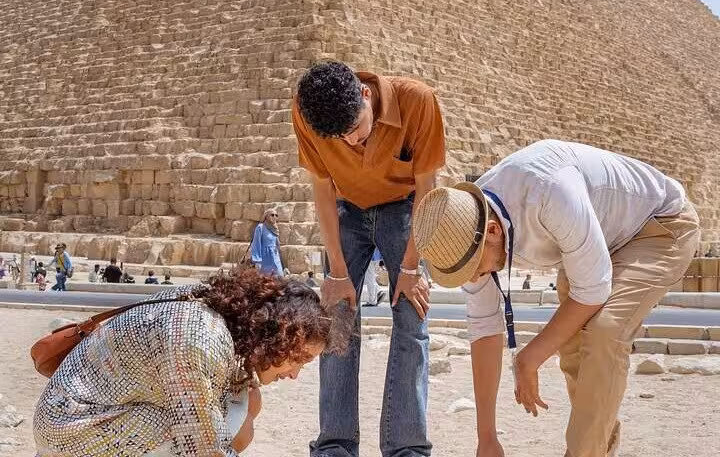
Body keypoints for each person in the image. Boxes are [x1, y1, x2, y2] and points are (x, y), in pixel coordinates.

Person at [412, 140, 699, 457]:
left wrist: (529, 358)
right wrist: (487, 438)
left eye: (476, 270)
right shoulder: (465, 227)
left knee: (605, 332)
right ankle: (597, 448)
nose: (475, 280)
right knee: (572, 344)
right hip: (597, 239)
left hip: (660, 226)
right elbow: (484, 329)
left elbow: (592, 292)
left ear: (493, 232)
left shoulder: (548, 192)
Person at [293, 60, 446, 457]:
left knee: (413, 319)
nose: (350, 143)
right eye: (339, 139)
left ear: (365, 94)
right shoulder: (309, 111)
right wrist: (338, 274)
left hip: (406, 210)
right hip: (347, 209)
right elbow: (323, 190)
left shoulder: (418, 103)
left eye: (356, 131)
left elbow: (428, 190)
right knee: (337, 319)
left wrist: (411, 268)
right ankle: (335, 446)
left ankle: (407, 448)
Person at [34, 267, 353, 456]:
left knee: (246, 403)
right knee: (214, 430)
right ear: (280, 337)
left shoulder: (216, 314)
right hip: (71, 428)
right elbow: (202, 445)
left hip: (101, 405)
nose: (295, 374)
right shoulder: (201, 341)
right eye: (300, 360)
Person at [250, 208, 283, 276]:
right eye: (272, 215)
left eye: (276, 215)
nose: (274, 217)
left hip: (275, 256)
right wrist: (257, 260)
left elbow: (276, 244)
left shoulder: (275, 228)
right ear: (266, 216)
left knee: (280, 275)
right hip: (265, 258)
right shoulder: (260, 227)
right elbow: (256, 244)